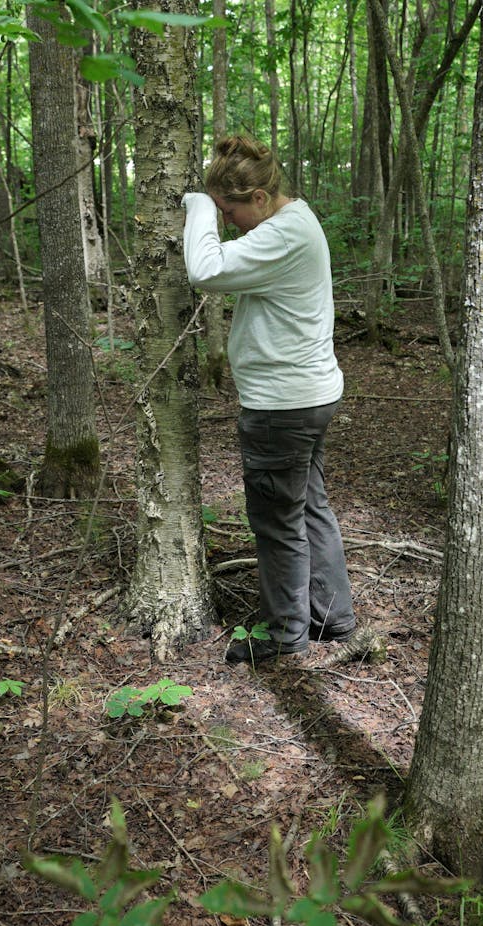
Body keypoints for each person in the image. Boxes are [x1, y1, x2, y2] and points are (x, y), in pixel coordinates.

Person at [182, 135, 356, 663]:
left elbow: (205, 270)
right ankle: (332, 616)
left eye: (229, 210)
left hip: (284, 405)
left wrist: (195, 208)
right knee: (309, 508)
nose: (228, 219)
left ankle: (285, 633)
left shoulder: (285, 236)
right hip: (306, 394)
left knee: (278, 522)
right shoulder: (292, 222)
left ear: (258, 198)